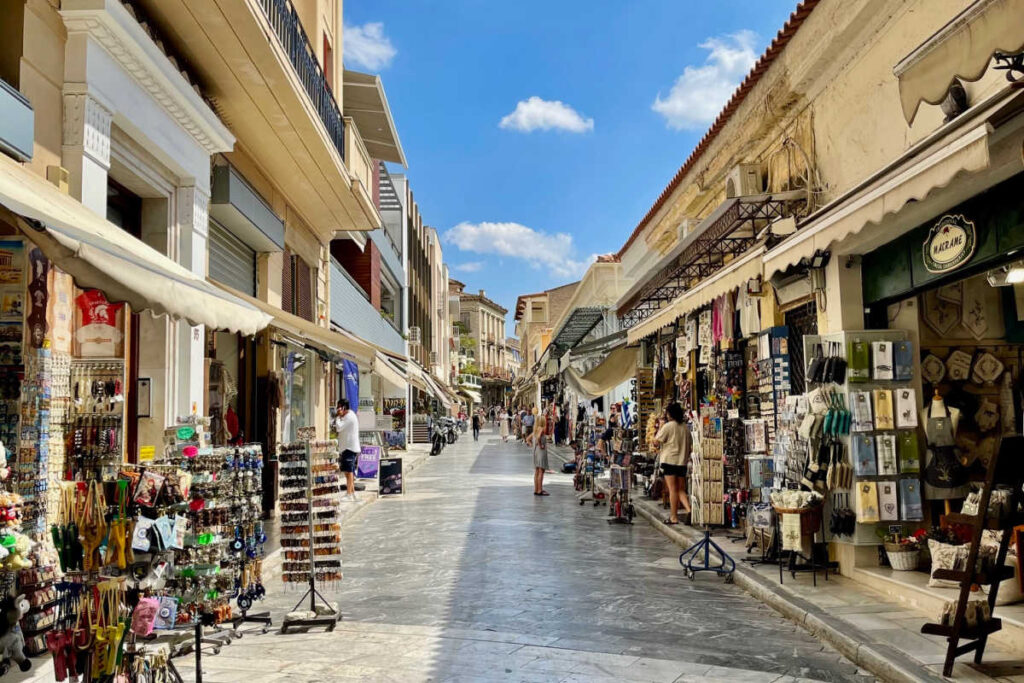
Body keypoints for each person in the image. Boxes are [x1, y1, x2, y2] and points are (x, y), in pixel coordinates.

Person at [653, 402, 692, 524]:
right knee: (681, 489)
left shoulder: (668, 426)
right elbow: (690, 444)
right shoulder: (685, 427)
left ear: (670, 414)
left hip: (670, 461)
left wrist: (660, 427)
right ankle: (689, 510)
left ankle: (673, 517)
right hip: (682, 462)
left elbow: (656, 442)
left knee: (673, 490)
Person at [334, 399, 361, 502]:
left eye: (339, 407)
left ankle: (349, 493)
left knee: (349, 472)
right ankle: (353, 492)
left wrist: (337, 417)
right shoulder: (348, 416)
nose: (338, 410)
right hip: (347, 448)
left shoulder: (349, 417)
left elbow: (339, 428)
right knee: (347, 471)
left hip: (349, 448)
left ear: (344, 408)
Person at [532, 414, 550, 496]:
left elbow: (528, 439)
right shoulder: (541, 429)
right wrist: (540, 445)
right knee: (541, 471)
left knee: (537, 471)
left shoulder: (535, 429)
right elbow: (538, 437)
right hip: (541, 452)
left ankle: (536, 489)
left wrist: (534, 445)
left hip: (536, 451)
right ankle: (540, 490)